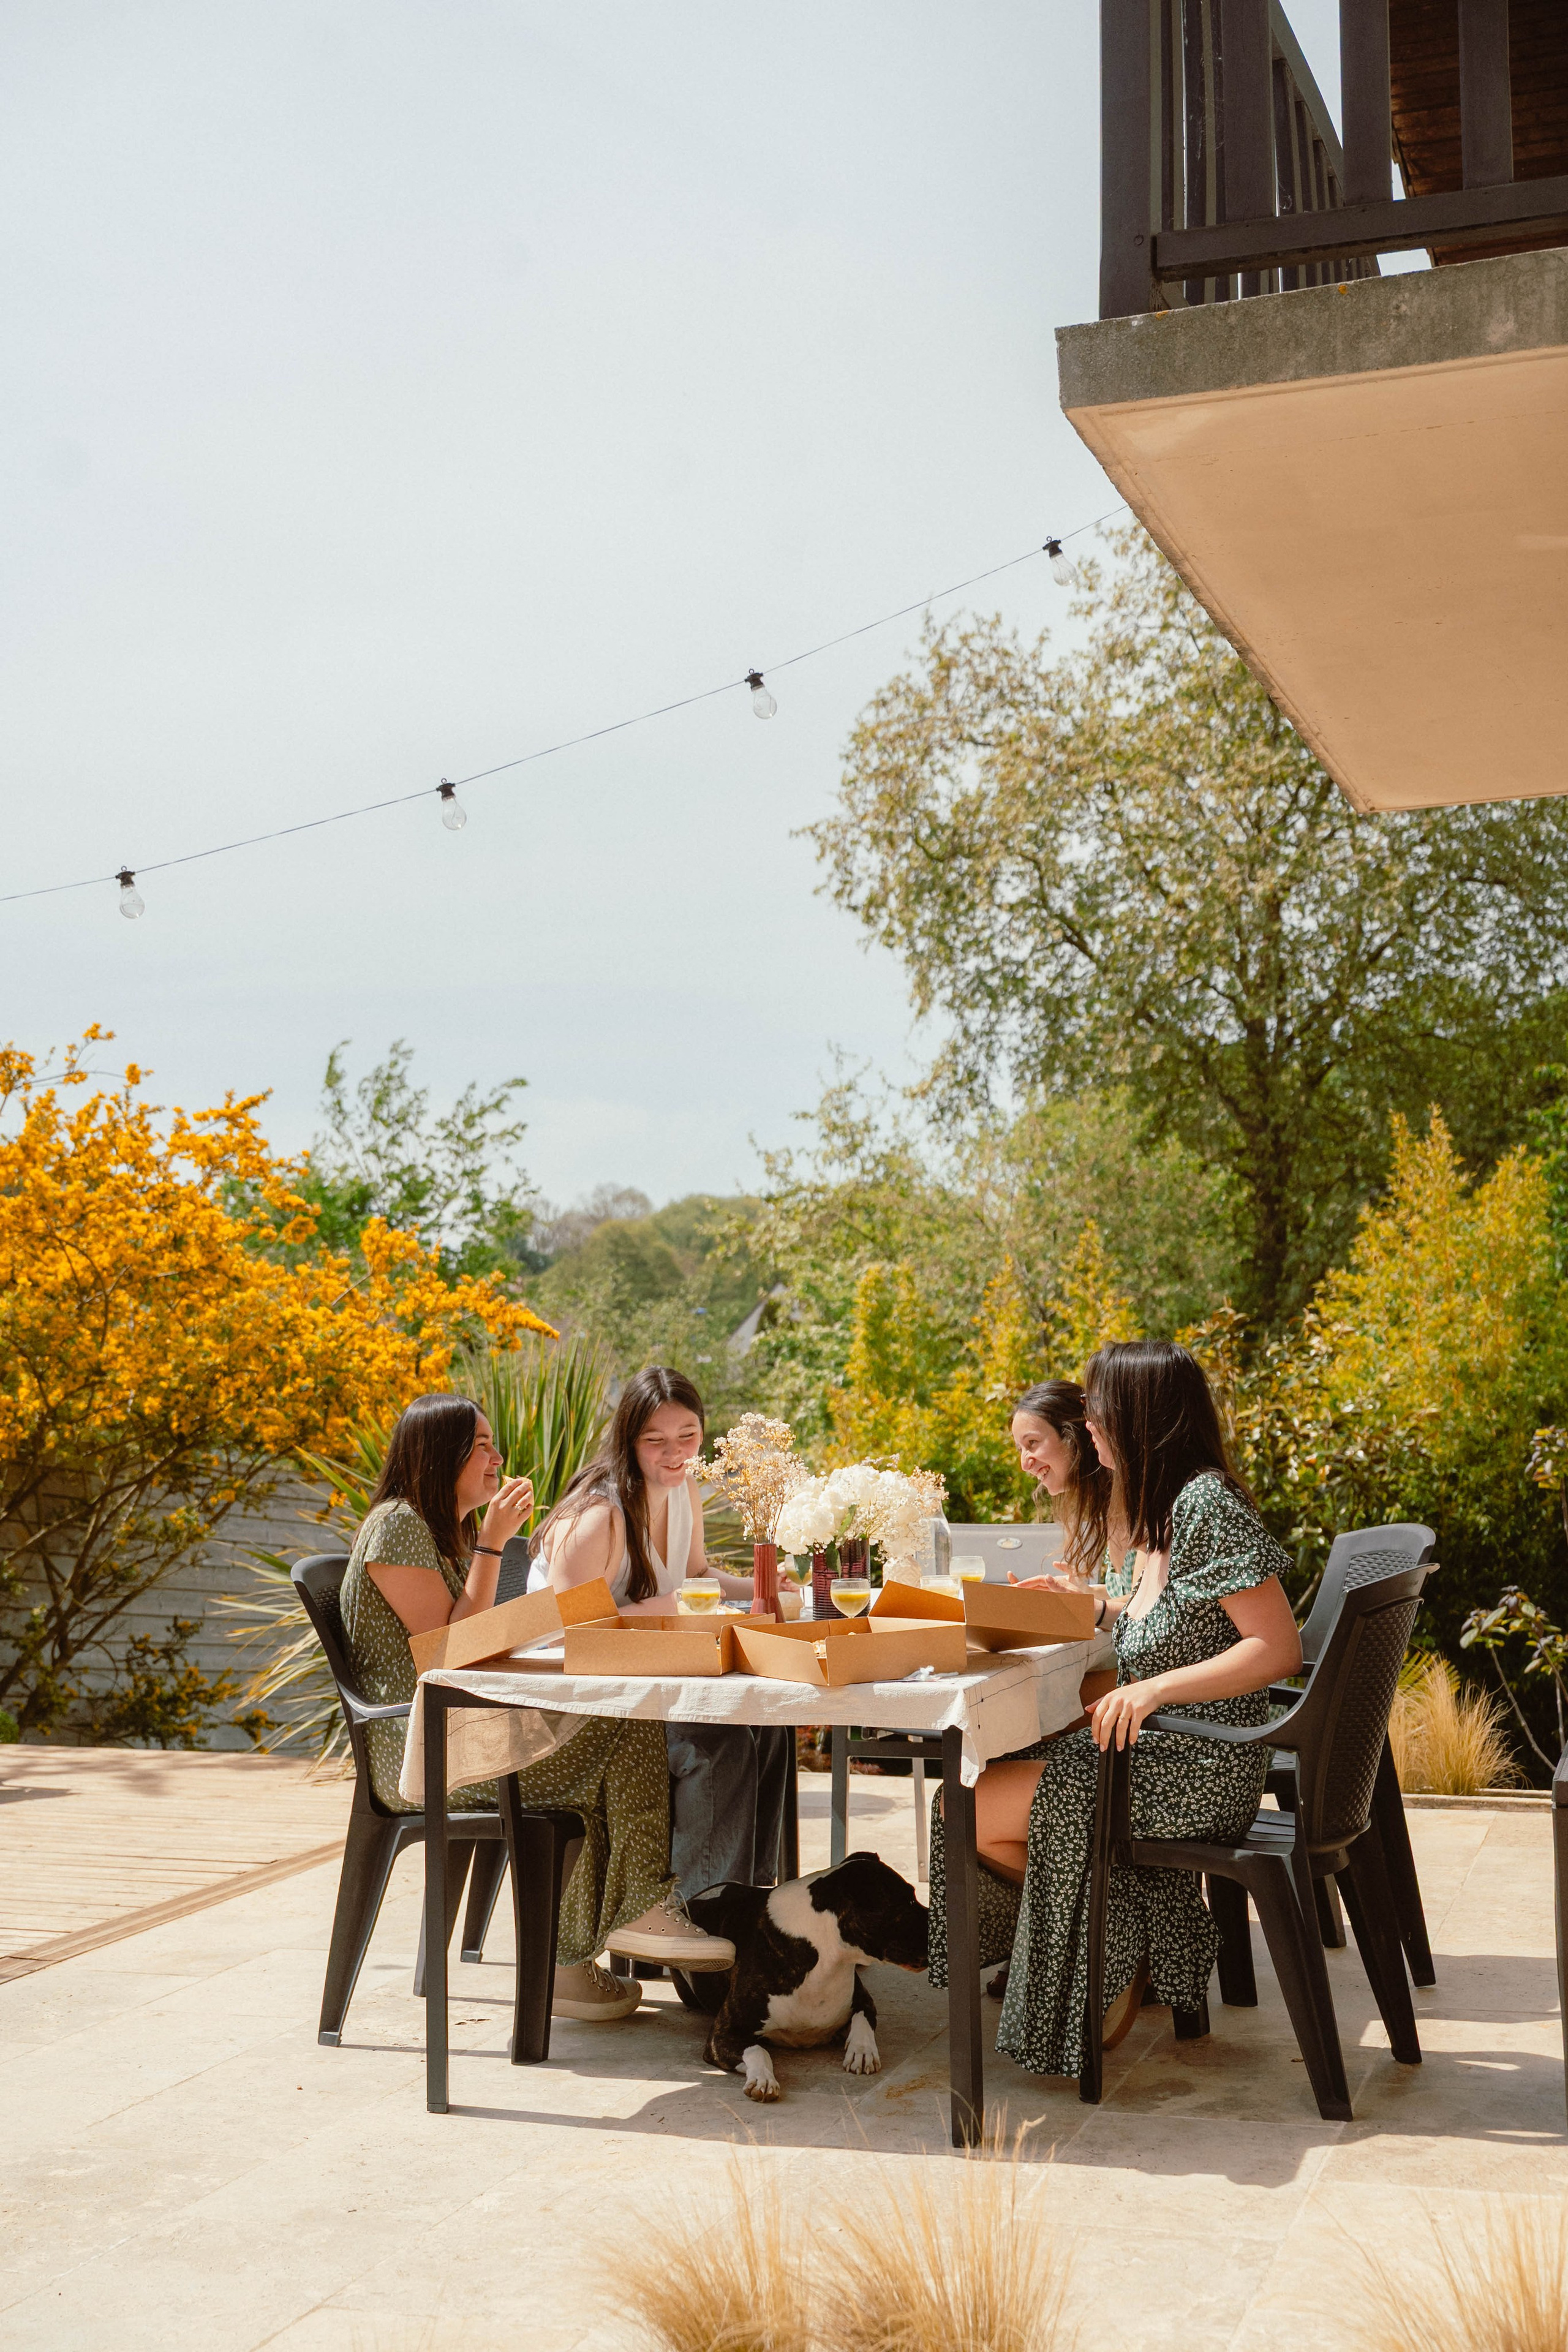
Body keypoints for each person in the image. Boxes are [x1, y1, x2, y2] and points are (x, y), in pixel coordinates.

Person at [929, 1339, 1302, 2076]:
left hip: (1197, 1763)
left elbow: (1276, 1648)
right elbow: (1170, 1619)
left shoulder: (1204, 1504)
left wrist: (1152, 1687)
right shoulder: (1160, 1511)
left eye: (1098, 1407)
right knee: (999, 1770)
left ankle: (1111, 1952)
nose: (1088, 1420)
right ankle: (1120, 1945)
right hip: (1165, 1750)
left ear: (1140, 1415)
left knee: (960, 1804)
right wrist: (1100, 1608)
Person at [339, 1390, 733, 2026]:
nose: (496, 1459)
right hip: (421, 1754)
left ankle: (573, 1959)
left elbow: (481, 1639)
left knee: (620, 1724)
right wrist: (495, 1545)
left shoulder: (440, 1532)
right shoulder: (397, 1527)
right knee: (623, 1726)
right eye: (482, 1446)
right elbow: (447, 1656)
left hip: (457, 1729)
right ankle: (622, 1924)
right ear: (440, 1456)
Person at [532, 1366, 792, 1902]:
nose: (674, 1454)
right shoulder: (596, 1519)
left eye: (688, 1437)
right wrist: (666, 1608)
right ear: (629, 1441)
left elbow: (696, 1576)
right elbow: (571, 1635)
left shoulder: (682, 1490)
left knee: (769, 1726)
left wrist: (764, 1583)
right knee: (718, 1744)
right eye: (655, 1441)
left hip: (650, 1680)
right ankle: (693, 1912)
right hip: (578, 1704)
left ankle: (744, 1897)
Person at [1009, 1377, 1128, 1589]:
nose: (1025, 1464)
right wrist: (1067, 1595)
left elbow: (1148, 1609)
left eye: (1032, 1443)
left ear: (1073, 1436)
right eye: (1021, 1449)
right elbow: (1125, 1595)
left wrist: (1082, 1604)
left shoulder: (1133, 1501)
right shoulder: (1111, 1504)